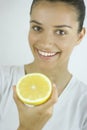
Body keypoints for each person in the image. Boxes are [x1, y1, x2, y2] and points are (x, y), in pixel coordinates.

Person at [0, 0, 87, 130]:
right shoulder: (3, 80)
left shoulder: (83, 103)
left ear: (79, 36)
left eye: (61, 32)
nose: (46, 43)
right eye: (37, 28)